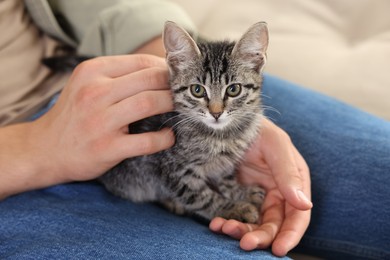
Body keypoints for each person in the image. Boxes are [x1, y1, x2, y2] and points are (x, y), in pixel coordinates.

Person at [0, 1, 388, 259]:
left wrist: (176, 67)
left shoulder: (215, 95)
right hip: (22, 158)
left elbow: (116, 7)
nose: (217, 109)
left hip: (164, 82)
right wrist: (38, 145)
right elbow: (175, 169)